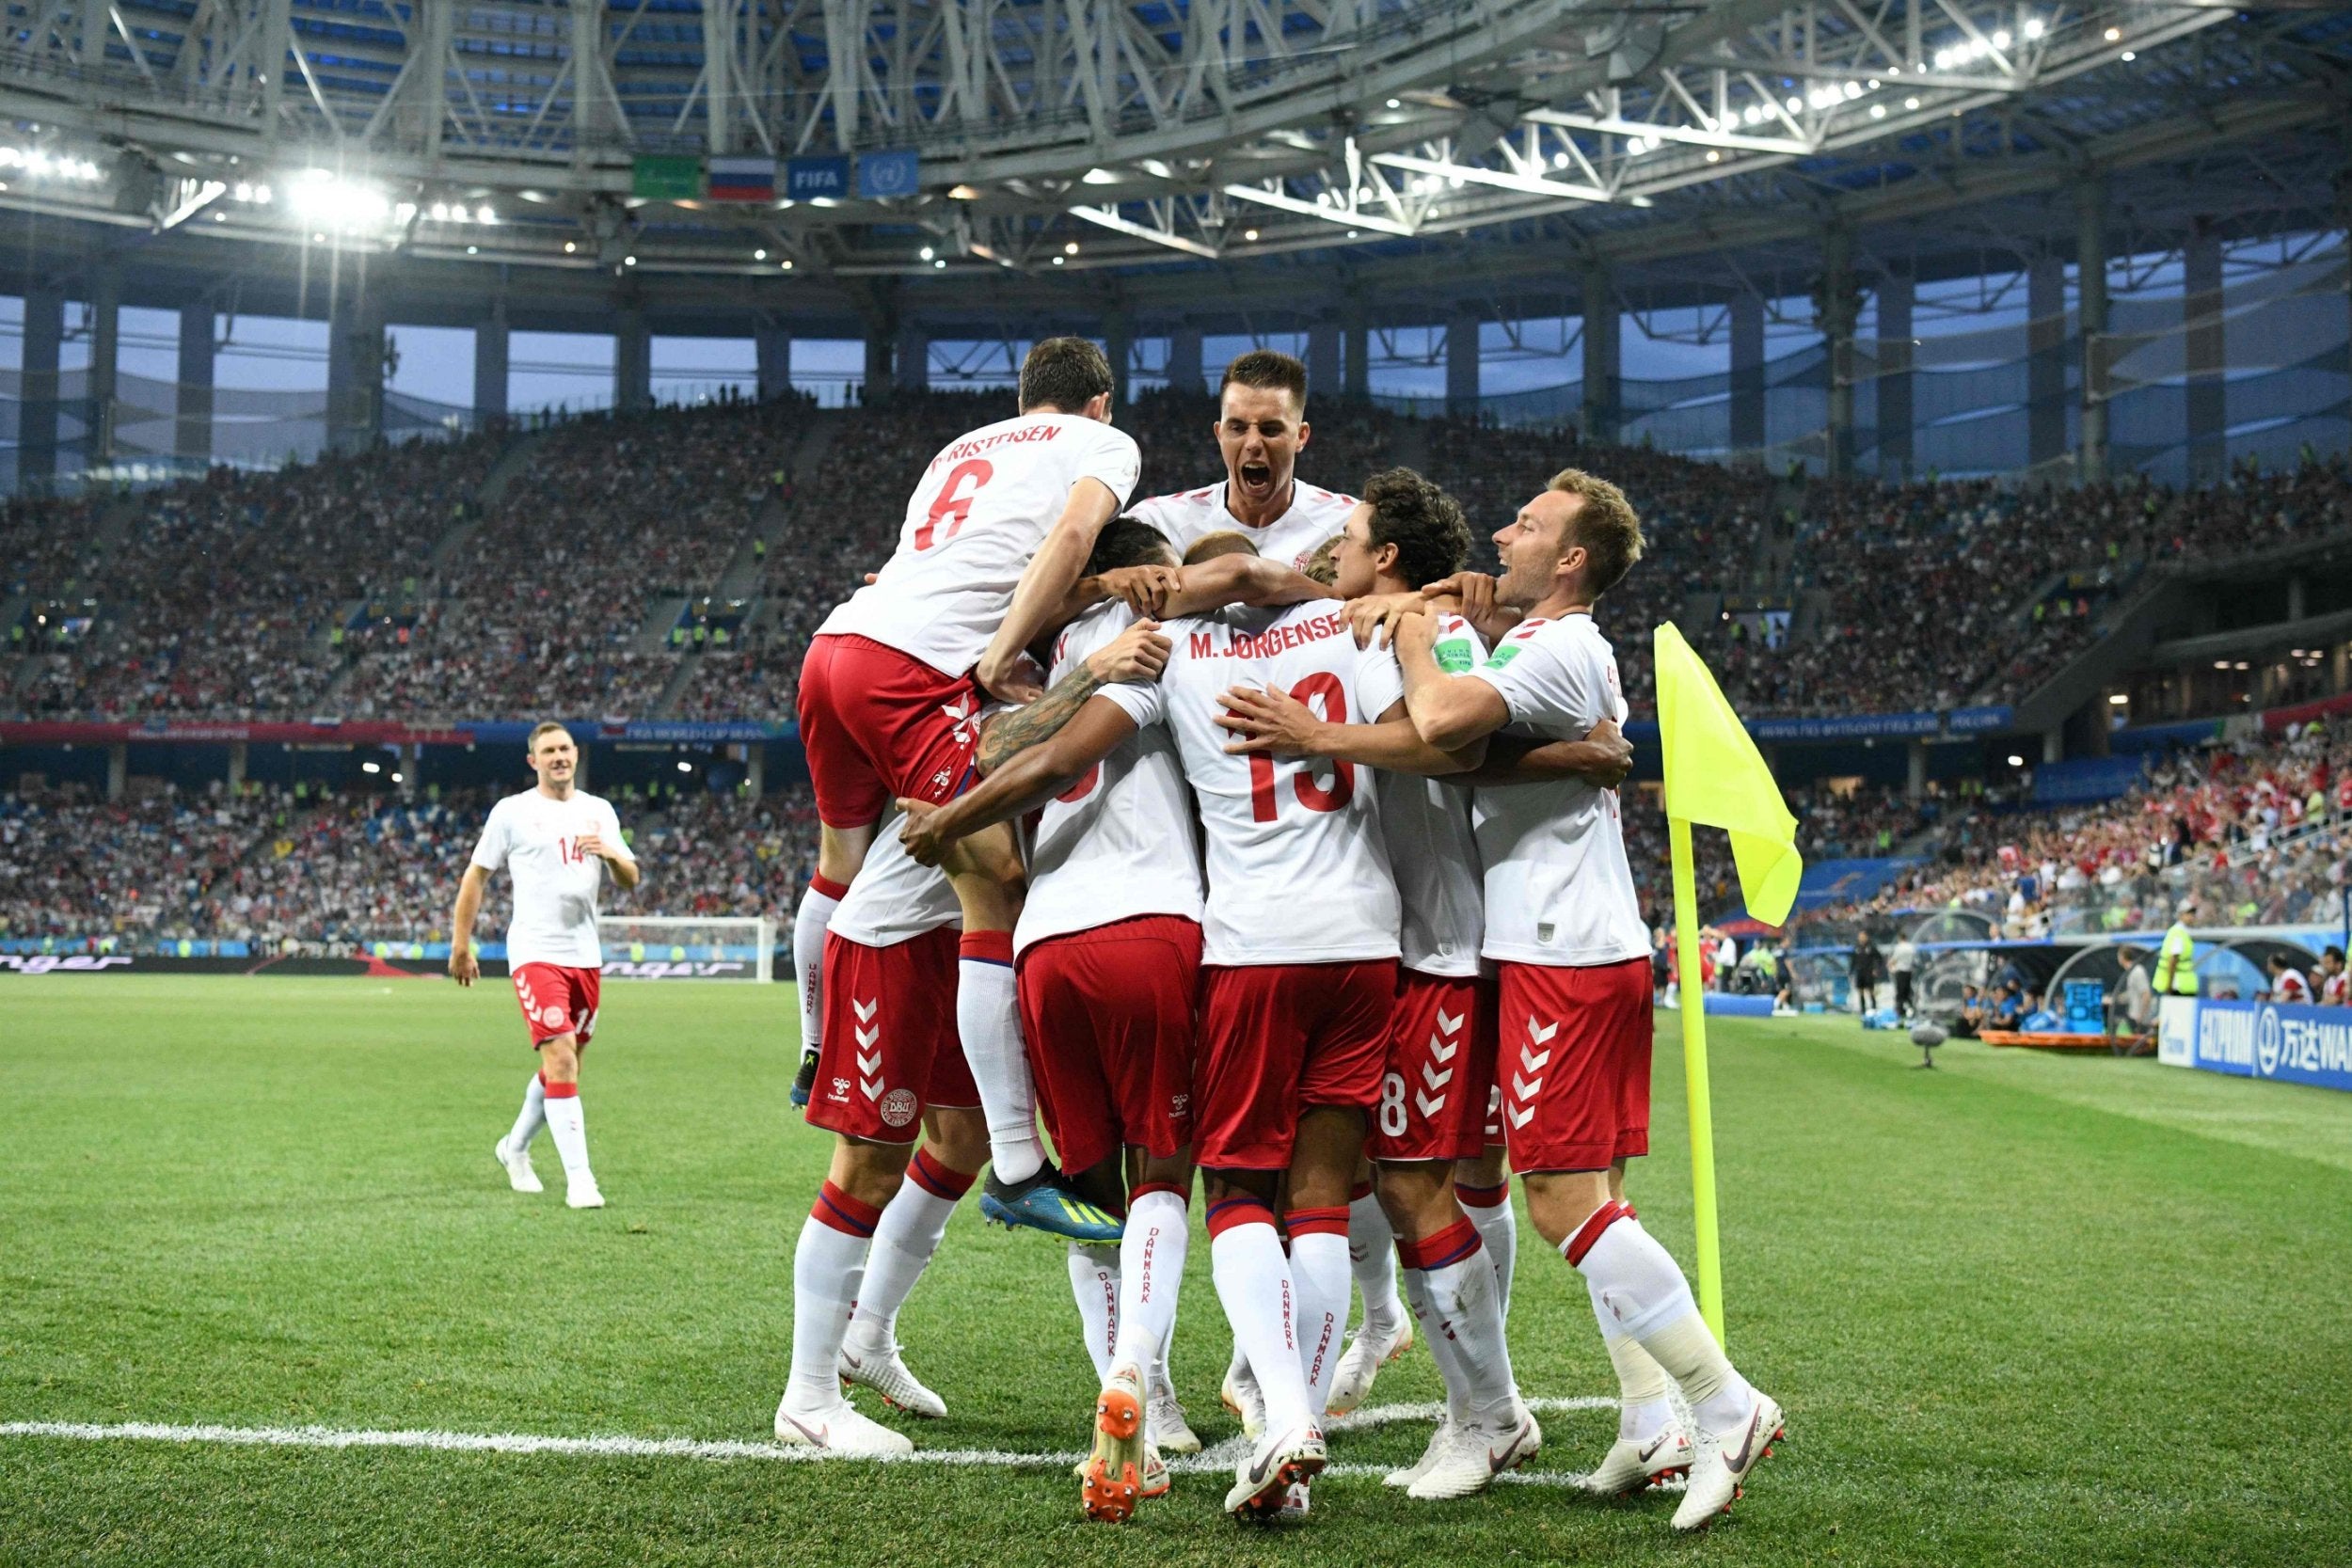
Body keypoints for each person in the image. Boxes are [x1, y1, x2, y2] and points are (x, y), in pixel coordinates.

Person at [901, 513, 1442, 1521]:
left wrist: (947, 816)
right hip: (1314, 936)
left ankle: (1136, 1383)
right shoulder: (1333, 623)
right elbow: (1434, 721)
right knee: (1289, 1193)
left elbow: (1046, 755)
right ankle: (1278, 1405)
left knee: (1127, 1194)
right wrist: (1433, 599)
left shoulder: (1135, 655)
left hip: (1089, 947)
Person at [1213, 474, 1636, 1494]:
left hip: (1437, 948)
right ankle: (1442, 1386)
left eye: (1347, 542)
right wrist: (1570, 752)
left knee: (1416, 1182)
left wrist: (1336, 712)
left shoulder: (1427, 629)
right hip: (1397, 945)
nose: (1329, 558)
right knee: (1399, 1179)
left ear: (1386, 556)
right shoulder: (1381, 619)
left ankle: (1487, 1411)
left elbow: (1448, 730)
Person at [1388, 468, 1782, 1531]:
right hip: (1571, 944)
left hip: (1559, 949)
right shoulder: (1536, 644)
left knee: (1559, 1199)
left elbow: (1442, 722)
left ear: (1570, 558)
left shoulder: (1562, 643)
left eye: (1526, 524)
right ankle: (1651, 1414)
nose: (1503, 533)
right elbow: (1501, 756)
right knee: (1596, 1191)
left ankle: (1723, 1401)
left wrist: (1418, 625)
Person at [953, 516, 1330, 1514]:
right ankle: (1140, 1383)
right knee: (1164, 1171)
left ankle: (1130, 1389)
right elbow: (1248, 576)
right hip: (1150, 928)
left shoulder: (1049, 664)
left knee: (1089, 1192)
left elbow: (999, 748)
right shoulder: (1171, 646)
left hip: (1043, 943)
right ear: (1152, 573)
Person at [795, 338, 1140, 1241]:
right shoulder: (1104, 445)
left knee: (839, 859)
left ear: (1024, 397)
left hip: (837, 648)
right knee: (995, 876)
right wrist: (994, 657)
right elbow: (1067, 539)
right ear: (1099, 403)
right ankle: (1022, 1167)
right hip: (915, 667)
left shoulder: (958, 450)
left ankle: (809, 1044)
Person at [774, 812, 989, 1457]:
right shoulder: (955, 715)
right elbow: (835, 859)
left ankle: (866, 1336)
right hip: (892, 940)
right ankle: (807, 1399)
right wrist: (812, 1039)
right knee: (868, 1166)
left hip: (964, 943)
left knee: (964, 1138)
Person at [451, 721, 641, 1212]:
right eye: (548, 750)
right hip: (536, 952)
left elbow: (630, 878)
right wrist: (460, 944)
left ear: (576, 755)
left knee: (565, 1065)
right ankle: (581, 1181)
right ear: (532, 760)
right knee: (560, 1058)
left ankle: (513, 1147)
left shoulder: (598, 811)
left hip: (586, 957)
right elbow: (476, 875)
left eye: (565, 748)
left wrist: (611, 855)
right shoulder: (512, 812)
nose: (558, 756)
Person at [1127, 351, 1359, 572]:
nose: (1253, 443)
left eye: (1270, 429)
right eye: (1238, 428)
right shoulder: (1159, 522)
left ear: (1300, 436)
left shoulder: (1347, 523)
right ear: (1219, 435)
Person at [2153, 902, 2200, 997]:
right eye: (2189, 913)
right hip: (2177, 986)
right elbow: (2173, 959)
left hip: (2182, 985)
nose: (2192, 917)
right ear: (2181, 915)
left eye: (2193, 914)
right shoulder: (2178, 933)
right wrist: (2169, 985)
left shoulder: (2183, 932)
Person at [2111, 947, 2156, 1039]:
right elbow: (2131, 994)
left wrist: (2142, 1015)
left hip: (2140, 1017)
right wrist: (2116, 999)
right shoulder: (2131, 972)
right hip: (2134, 1015)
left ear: (2122, 957)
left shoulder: (2137, 972)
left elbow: (2146, 994)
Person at [1850, 931, 1884, 1015]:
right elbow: (1853, 961)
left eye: (1863, 936)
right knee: (1860, 992)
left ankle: (1874, 1009)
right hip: (1859, 972)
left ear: (1867, 937)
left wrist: (1876, 969)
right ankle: (1863, 1011)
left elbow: (1880, 958)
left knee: (1870, 991)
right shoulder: (1856, 948)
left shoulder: (1871, 947)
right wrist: (1851, 971)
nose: (1861, 938)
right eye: (1860, 936)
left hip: (1869, 972)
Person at [1889, 932, 1918, 1019]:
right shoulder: (1911, 947)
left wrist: (1890, 965)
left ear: (1900, 938)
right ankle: (1912, 1009)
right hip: (1909, 971)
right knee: (1907, 991)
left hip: (1900, 971)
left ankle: (1900, 1010)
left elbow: (1894, 959)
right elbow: (1914, 960)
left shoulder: (1899, 947)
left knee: (1900, 992)